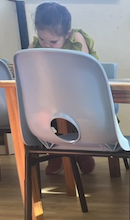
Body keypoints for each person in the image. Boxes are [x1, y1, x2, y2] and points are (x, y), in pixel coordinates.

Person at [30, 1, 97, 175]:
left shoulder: (76, 40)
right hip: (50, 98)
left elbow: (83, 71)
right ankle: (55, 151)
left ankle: (77, 152)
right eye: (42, 39)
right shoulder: (36, 45)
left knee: (66, 110)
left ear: (67, 34)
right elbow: (27, 69)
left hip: (80, 95)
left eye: (53, 41)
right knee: (36, 112)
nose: (46, 45)